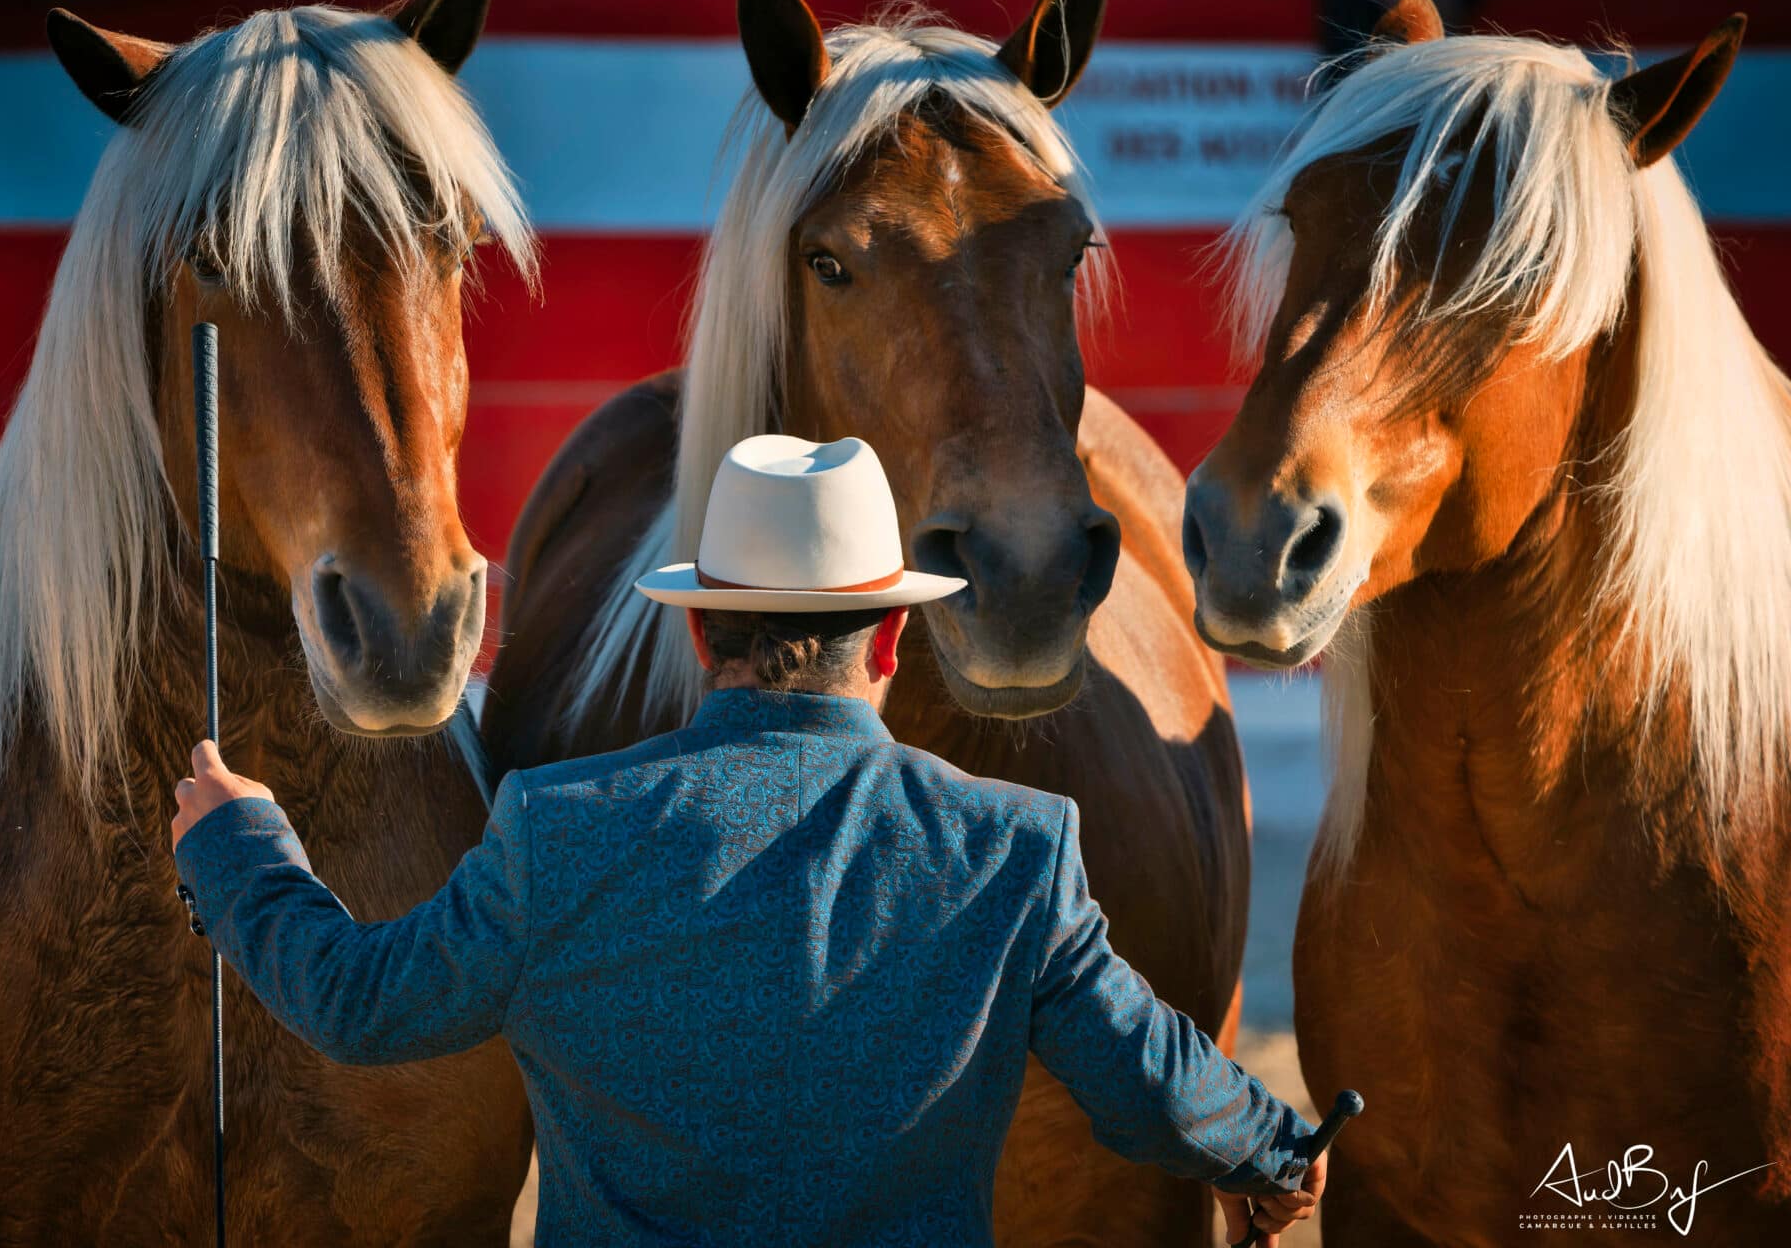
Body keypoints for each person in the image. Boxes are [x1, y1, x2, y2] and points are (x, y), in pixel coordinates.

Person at [172, 434, 1325, 1246]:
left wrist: (240, 847)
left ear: (696, 632)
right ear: (888, 643)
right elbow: (1152, 1085)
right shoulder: (1014, 851)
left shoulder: (554, 831)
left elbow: (361, 1003)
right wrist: (1270, 1150)